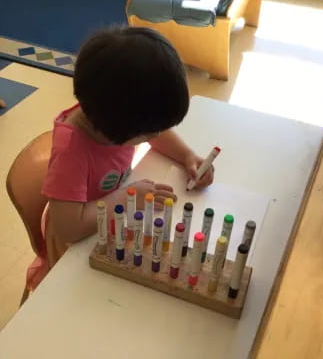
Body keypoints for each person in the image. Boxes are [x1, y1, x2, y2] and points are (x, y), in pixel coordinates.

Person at [26, 27, 214, 292]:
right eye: (147, 133)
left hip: (111, 218)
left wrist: (187, 156)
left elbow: (154, 134)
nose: (156, 136)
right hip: (75, 241)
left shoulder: (110, 115)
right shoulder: (72, 152)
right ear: (119, 132)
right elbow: (69, 228)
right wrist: (127, 198)